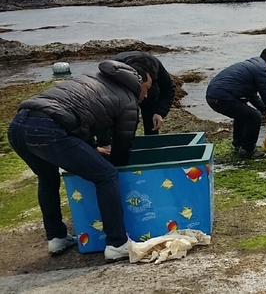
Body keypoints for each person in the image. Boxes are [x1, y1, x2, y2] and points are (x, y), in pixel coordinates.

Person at [7, 60, 155, 261]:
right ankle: (117, 243)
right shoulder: (128, 100)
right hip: (47, 129)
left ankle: (57, 236)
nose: (145, 95)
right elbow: (123, 145)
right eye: (146, 89)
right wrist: (114, 164)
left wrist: (92, 147)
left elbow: (78, 116)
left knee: (47, 177)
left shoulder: (94, 79)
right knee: (107, 175)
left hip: (18, 126)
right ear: (137, 83)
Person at [206, 46, 266, 159]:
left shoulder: (253, 64)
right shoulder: (263, 70)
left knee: (242, 114)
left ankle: (238, 145)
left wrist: (264, 109)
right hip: (222, 97)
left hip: (213, 95)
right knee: (254, 116)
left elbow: (251, 95)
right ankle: (247, 150)